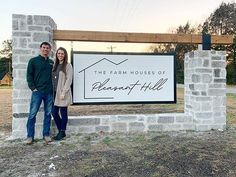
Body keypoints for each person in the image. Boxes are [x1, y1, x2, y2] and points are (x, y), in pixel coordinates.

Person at [26, 42, 54, 144]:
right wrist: (33, 88)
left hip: (49, 93)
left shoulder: (51, 62)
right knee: (32, 114)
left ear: (50, 50)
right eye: (44, 47)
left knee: (48, 114)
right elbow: (29, 75)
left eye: (47, 48)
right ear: (40, 48)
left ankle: (46, 135)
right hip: (37, 92)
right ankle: (29, 137)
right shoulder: (33, 61)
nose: (45, 49)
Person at [51, 47, 73, 141]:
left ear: (65, 55)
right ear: (56, 54)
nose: (60, 55)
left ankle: (62, 131)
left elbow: (69, 80)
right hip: (54, 93)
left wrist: (64, 92)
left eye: (62, 53)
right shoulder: (54, 65)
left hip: (62, 93)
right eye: (59, 53)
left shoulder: (68, 65)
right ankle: (61, 131)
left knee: (63, 113)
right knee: (54, 112)